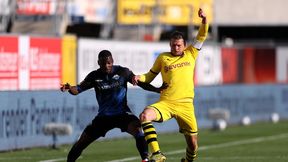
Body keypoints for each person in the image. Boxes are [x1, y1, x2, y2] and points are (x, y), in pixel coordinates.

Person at [60, 50, 167, 162]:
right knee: (82, 142)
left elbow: (141, 84)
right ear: (98, 63)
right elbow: (77, 89)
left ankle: (145, 159)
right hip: (104, 117)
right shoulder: (94, 76)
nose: (106, 66)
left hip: (122, 114)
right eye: (103, 64)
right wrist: (69, 88)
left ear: (112, 61)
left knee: (138, 130)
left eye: (109, 63)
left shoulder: (123, 72)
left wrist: (157, 89)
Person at [132, 8, 209, 162]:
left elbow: (201, 35)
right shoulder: (163, 58)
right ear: (170, 45)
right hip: (166, 102)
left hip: (186, 105)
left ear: (185, 45)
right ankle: (157, 154)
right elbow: (149, 76)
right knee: (145, 115)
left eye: (179, 45)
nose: (176, 48)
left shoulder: (191, 53)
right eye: (173, 45)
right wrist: (138, 77)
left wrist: (204, 20)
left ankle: (188, 160)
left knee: (193, 145)